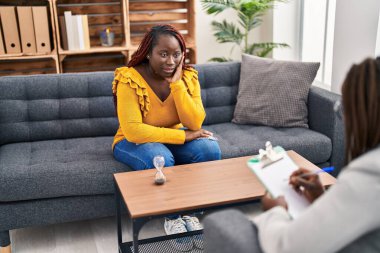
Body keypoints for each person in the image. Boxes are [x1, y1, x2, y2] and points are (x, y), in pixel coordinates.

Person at [204, 57, 380, 253]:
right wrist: (321, 199)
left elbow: (284, 246)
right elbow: (356, 216)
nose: (344, 119)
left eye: (343, 109)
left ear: (367, 113)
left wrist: (275, 211)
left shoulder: (369, 176)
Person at [112, 24, 221, 249]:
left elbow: (195, 123)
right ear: (148, 53)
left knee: (210, 149)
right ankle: (172, 219)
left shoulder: (187, 77)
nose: (170, 61)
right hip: (131, 141)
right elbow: (134, 130)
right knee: (160, 157)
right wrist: (183, 137)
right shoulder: (129, 78)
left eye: (176, 54)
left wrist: (177, 86)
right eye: (163, 54)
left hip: (168, 135)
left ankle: (190, 214)